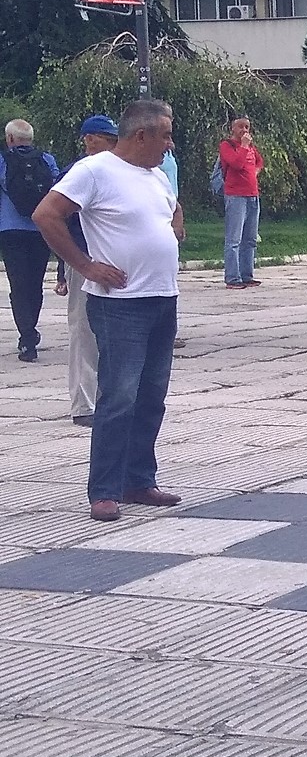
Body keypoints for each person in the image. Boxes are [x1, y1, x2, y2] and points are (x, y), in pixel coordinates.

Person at [33, 99, 187, 523]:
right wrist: (85, 265)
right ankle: (104, 489)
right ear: (142, 135)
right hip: (119, 305)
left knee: (151, 397)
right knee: (118, 396)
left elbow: (170, 208)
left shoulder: (156, 175)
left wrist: (175, 224)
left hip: (162, 297)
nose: (170, 144)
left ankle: (139, 479)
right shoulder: (96, 170)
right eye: (166, 135)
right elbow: (46, 215)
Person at [53, 116, 121, 426]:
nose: (109, 144)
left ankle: (109, 398)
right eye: (104, 138)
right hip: (85, 258)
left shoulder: (119, 171)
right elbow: (56, 220)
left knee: (112, 334)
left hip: (114, 258)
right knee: (83, 330)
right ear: (90, 141)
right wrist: (68, 266)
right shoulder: (78, 173)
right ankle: (84, 404)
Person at [0, 119, 62, 362]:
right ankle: (30, 329)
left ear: (11, 139)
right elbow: (57, 188)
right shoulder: (46, 160)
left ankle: (27, 336)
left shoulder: (3, 160)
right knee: (35, 283)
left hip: (10, 229)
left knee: (18, 284)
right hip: (40, 229)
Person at [219, 115, 263, 289]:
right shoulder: (227, 146)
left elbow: (260, 162)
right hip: (236, 195)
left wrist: (254, 173)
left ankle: (247, 274)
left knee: (250, 238)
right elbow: (236, 164)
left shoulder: (251, 147)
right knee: (234, 238)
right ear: (233, 129)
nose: (244, 131)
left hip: (252, 195)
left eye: (247, 127)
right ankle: (232, 277)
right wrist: (243, 146)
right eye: (241, 127)